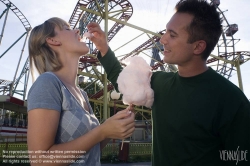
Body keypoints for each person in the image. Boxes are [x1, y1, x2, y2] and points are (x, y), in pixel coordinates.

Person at [87, 0, 250, 165]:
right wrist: (103, 47)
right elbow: (123, 82)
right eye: (165, 32)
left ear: (198, 47)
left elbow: (240, 158)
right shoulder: (159, 82)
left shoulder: (231, 100)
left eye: (172, 35)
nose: (163, 39)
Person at [27, 17, 135, 166]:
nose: (77, 30)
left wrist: (110, 128)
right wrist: (101, 131)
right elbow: (39, 161)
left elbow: (89, 149)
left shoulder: (81, 93)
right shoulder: (47, 83)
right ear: (52, 40)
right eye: (67, 29)